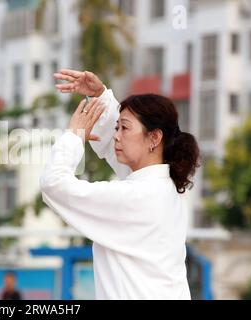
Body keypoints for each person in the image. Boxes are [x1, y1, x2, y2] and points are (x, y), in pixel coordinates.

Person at [40, 69, 200, 299]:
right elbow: (124, 159)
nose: (116, 136)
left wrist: (74, 135)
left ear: (155, 137)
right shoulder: (166, 187)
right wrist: (100, 96)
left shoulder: (135, 197)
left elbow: (53, 183)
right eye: (117, 128)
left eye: (124, 128)